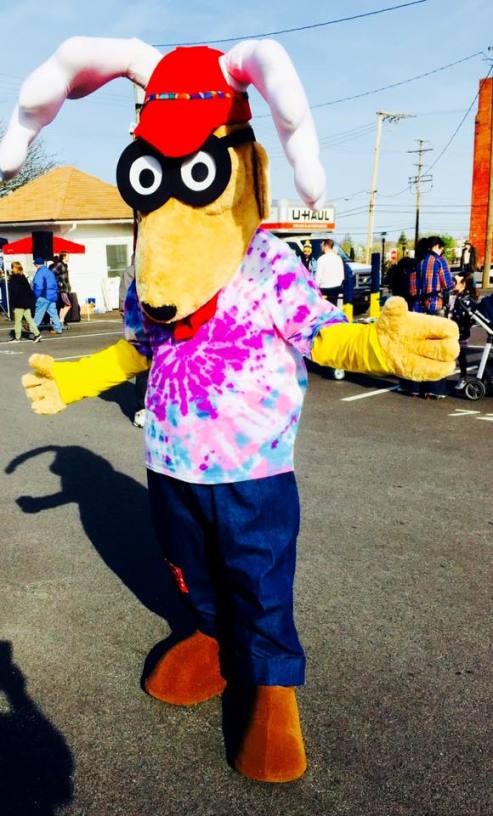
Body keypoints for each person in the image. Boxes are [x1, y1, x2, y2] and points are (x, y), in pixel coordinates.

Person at [405, 236, 454, 398]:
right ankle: (434, 389)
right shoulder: (439, 261)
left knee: (418, 349)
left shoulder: (418, 263)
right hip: (435, 307)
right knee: (436, 349)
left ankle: (414, 387)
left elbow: (412, 290)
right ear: (436, 246)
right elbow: (448, 284)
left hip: (418, 309)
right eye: (442, 248)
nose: (442, 251)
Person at [119, 256, 149, 428]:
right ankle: (141, 409)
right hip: (141, 326)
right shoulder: (132, 272)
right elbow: (124, 303)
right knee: (144, 369)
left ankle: (150, 408)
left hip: (155, 325)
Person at [448, 274, 477, 391]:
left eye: (455, 282)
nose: (452, 283)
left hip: (461, 331)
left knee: (461, 355)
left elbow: (472, 317)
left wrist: (464, 324)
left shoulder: (467, 299)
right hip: (449, 329)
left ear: (463, 284)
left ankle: (463, 377)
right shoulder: (451, 295)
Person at [7, 261, 42, 343]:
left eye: (12, 267)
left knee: (18, 321)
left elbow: (13, 293)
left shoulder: (13, 278)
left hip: (18, 303)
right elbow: (29, 290)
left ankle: (17, 338)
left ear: (15, 268)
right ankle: (37, 334)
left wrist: (12, 305)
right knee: (30, 320)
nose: (11, 269)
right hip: (26, 303)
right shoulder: (23, 277)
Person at [32, 257, 63, 335]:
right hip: (52, 296)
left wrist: (36, 295)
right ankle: (58, 328)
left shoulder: (40, 272)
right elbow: (55, 283)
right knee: (53, 313)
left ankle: (33, 328)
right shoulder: (49, 271)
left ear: (37, 264)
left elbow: (38, 285)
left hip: (43, 295)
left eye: (35, 264)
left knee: (39, 313)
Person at [315, 238, 345, 305]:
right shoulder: (338, 258)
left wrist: (316, 289)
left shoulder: (321, 259)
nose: (321, 247)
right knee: (334, 307)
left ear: (326, 246)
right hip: (336, 288)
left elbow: (318, 277)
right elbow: (342, 276)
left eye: (322, 245)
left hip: (324, 289)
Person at [50, 252, 72, 329]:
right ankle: (60, 321)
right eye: (68, 256)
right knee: (68, 305)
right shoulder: (59, 264)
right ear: (64, 256)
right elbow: (51, 272)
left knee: (63, 306)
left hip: (65, 288)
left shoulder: (64, 265)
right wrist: (58, 282)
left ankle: (60, 322)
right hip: (61, 289)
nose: (69, 257)